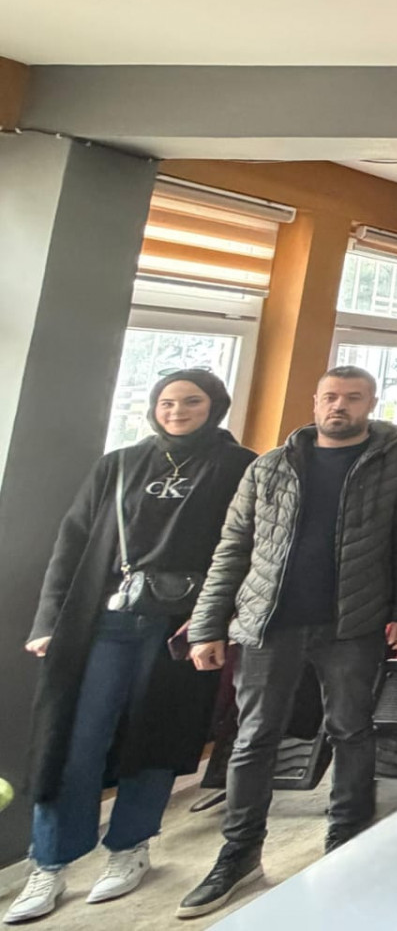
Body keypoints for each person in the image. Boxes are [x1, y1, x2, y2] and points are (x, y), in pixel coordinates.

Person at [180, 367, 397, 918]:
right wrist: (207, 624)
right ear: (315, 401)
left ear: (371, 403)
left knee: (351, 730)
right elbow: (233, 547)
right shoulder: (270, 466)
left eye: (352, 398)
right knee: (254, 738)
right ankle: (239, 851)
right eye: (330, 397)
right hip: (270, 622)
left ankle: (347, 836)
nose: (339, 406)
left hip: (353, 622)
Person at [11, 372, 256, 926]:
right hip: (101, 622)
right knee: (74, 739)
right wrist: (49, 621)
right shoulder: (119, 464)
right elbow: (72, 543)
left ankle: (130, 847)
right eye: (166, 402)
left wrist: (219, 621)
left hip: (181, 628)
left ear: (215, 405)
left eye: (191, 401)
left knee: (157, 736)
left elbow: (247, 547)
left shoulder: (238, 465)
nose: (177, 411)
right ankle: (49, 862)